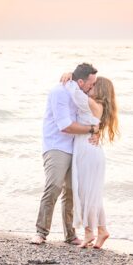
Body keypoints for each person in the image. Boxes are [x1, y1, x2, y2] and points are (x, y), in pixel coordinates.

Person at [30, 63, 99, 246]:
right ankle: (41, 232)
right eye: (90, 84)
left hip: (76, 146)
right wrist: (92, 129)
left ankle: (70, 235)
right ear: (81, 81)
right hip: (56, 145)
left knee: (71, 191)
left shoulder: (81, 93)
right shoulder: (59, 93)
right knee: (53, 186)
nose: (92, 87)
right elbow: (65, 126)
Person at [65, 75, 118, 249]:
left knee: (86, 193)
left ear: (100, 89)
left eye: (94, 85)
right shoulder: (97, 105)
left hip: (88, 153)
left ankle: (89, 232)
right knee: (92, 194)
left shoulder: (91, 103)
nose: (90, 87)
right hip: (89, 152)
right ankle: (102, 230)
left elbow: (73, 91)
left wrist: (71, 76)